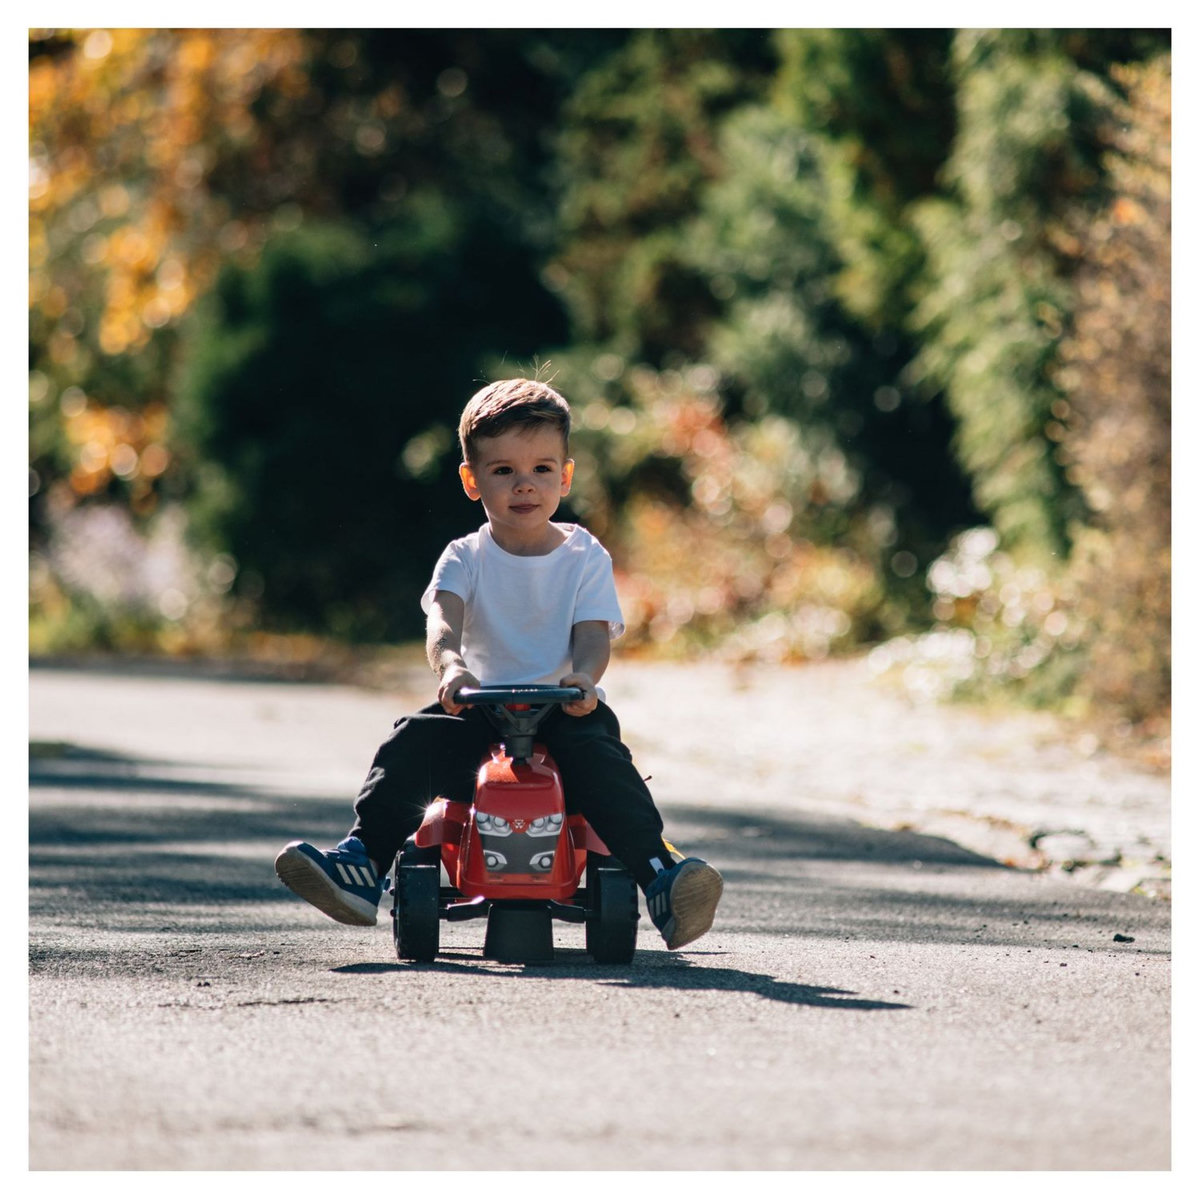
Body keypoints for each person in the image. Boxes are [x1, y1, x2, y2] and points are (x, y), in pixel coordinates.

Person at [274, 377, 723, 950]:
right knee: (410, 741)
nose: (524, 485)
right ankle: (361, 861)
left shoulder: (585, 556)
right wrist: (452, 668)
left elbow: (592, 635)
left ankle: (661, 876)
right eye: (503, 470)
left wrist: (584, 677)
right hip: (480, 712)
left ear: (565, 475)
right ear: (471, 479)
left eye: (541, 468)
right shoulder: (464, 558)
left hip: (567, 713)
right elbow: (442, 623)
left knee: (610, 772)